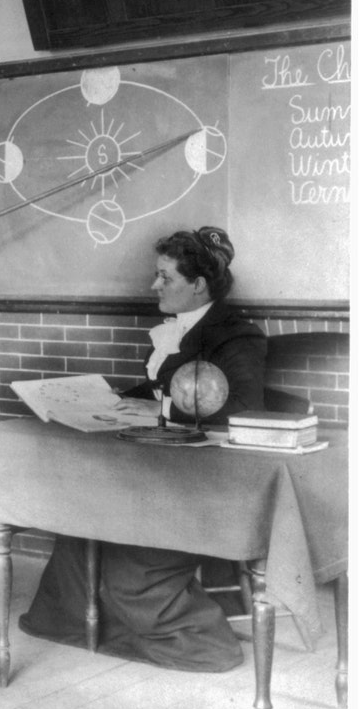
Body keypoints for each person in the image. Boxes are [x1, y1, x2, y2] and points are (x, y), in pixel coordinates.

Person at [19, 226, 265, 673]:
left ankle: (180, 636)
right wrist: (103, 399)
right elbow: (160, 389)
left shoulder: (235, 335)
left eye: (164, 277)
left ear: (198, 285)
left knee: (128, 552)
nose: (154, 285)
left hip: (201, 483)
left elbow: (242, 408)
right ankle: (77, 622)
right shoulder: (181, 328)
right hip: (157, 469)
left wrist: (157, 407)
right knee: (82, 521)